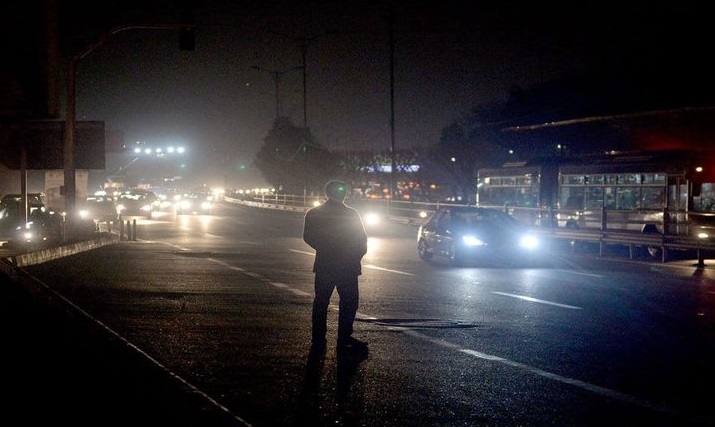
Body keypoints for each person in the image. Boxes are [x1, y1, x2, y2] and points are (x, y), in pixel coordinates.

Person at [303, 180, 368, 351]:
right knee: (349, 302)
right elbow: (361, 239)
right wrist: (356, 256)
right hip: (348, 266)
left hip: (325, 264)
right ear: (344, 194)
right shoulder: (352, 214)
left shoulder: (314, 213)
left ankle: (318, 339)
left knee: (321, 301)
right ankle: (344, 337)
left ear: (326, 193)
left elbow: (308, 236)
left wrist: (326, 248)